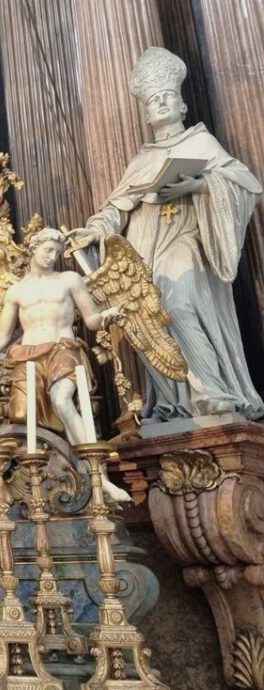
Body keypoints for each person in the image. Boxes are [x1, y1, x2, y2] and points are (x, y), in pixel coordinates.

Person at [70, 47, 264, 424]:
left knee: (178, 303)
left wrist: (200, 184)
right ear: (144, 113)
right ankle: (183, 400)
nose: (160, 104)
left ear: (182, 105)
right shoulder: (139, 161)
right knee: (151, 313)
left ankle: (214, 389)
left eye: (167, 97)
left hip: (187, 239)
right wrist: (92, 230)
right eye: (153, 101)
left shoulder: (201, 144)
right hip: (145, 249)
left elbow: (247, 185)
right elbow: (117, 207)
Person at [0, 228, 129, 502]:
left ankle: (99, 476)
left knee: (62, 399)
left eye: (56, 251)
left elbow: (90, 320)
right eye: (48, 250)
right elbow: (5, 334)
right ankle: (48, 475)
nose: (53, 256)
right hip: (28, 355)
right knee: (23, 415)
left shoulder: (69, 280)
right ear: (33, 249)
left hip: (62, 348)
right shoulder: (16, 290)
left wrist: (106, 317)